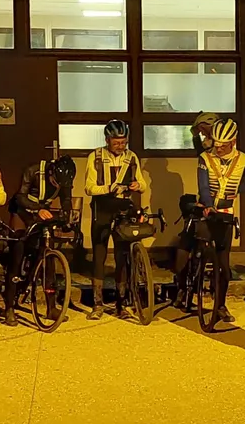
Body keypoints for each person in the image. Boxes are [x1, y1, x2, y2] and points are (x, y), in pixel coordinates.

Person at [192, 118, 245, 328]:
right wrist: (208, 204)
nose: (218, 148)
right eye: (216, 144)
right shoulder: (205, 157)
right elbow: (203, 186)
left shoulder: (243, 159)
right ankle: (189, 288)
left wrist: (236, 190)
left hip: (226, 213)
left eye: (223, 145)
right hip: (207, 210)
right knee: (198, 251)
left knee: (223, 265)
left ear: (233, 142)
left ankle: (220, 304)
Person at [84, 119, 148, 318]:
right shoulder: (95, 157)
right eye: (116, 142)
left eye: (123, 142)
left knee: (122, 254)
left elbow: (143, 183)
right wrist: (108, 188)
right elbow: (89, 188)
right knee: (99, 254)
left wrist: (138, 186)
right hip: (102, 207)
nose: (120, 146)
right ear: (107, 140)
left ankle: (121, 303)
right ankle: (97, 304)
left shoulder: (132, 157)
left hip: (123, 207)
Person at [10, 154, 77, 310]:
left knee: (48, 256)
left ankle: (51, 307)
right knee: (18, 248)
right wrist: (37, 208)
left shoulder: (64, 179)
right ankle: (9, 304)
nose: (57, 186)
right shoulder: (33, 171)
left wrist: (67, 219)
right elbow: (20, 197)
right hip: (22, 210)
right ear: (51, 172)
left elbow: (66, 200)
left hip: (42, 212)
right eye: (55, 182)